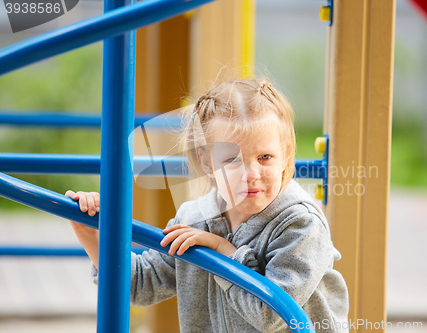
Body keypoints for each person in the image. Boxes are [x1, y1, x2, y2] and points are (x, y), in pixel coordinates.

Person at [66, 77, 349, 333]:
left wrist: (221, 250)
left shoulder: (300, 224)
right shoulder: (194, 219)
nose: (251, 174)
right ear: (206, 162)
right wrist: (93, 236)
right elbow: (140, 285)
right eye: (231, 159)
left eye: (265, 157)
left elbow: (272, 315)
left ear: (285, 155)